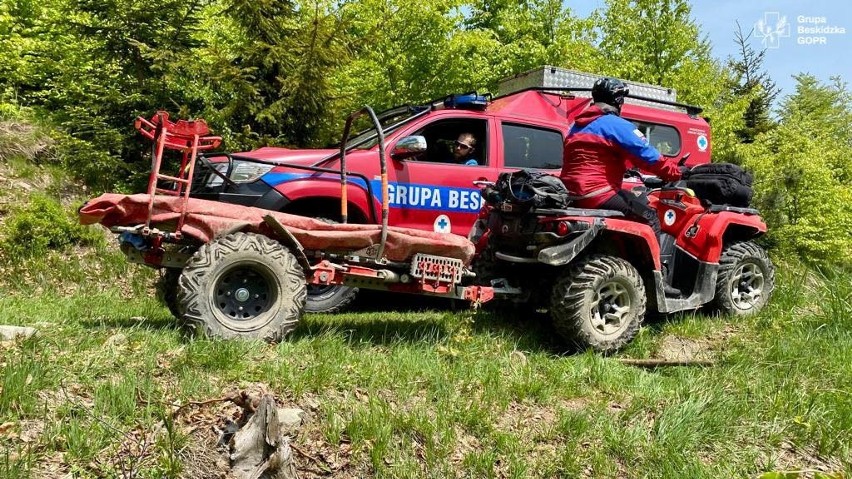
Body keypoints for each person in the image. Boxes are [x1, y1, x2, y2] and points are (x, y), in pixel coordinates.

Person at [560, 77, 685, 295]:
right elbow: (649, 156)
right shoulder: (616, 125)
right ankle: (656, 282)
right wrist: (675, 172)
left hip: (572, 194)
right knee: (649, 217)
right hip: (598, 193)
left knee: (628, 201)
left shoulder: (574, 126)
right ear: (618, 100)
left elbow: (594, 158)